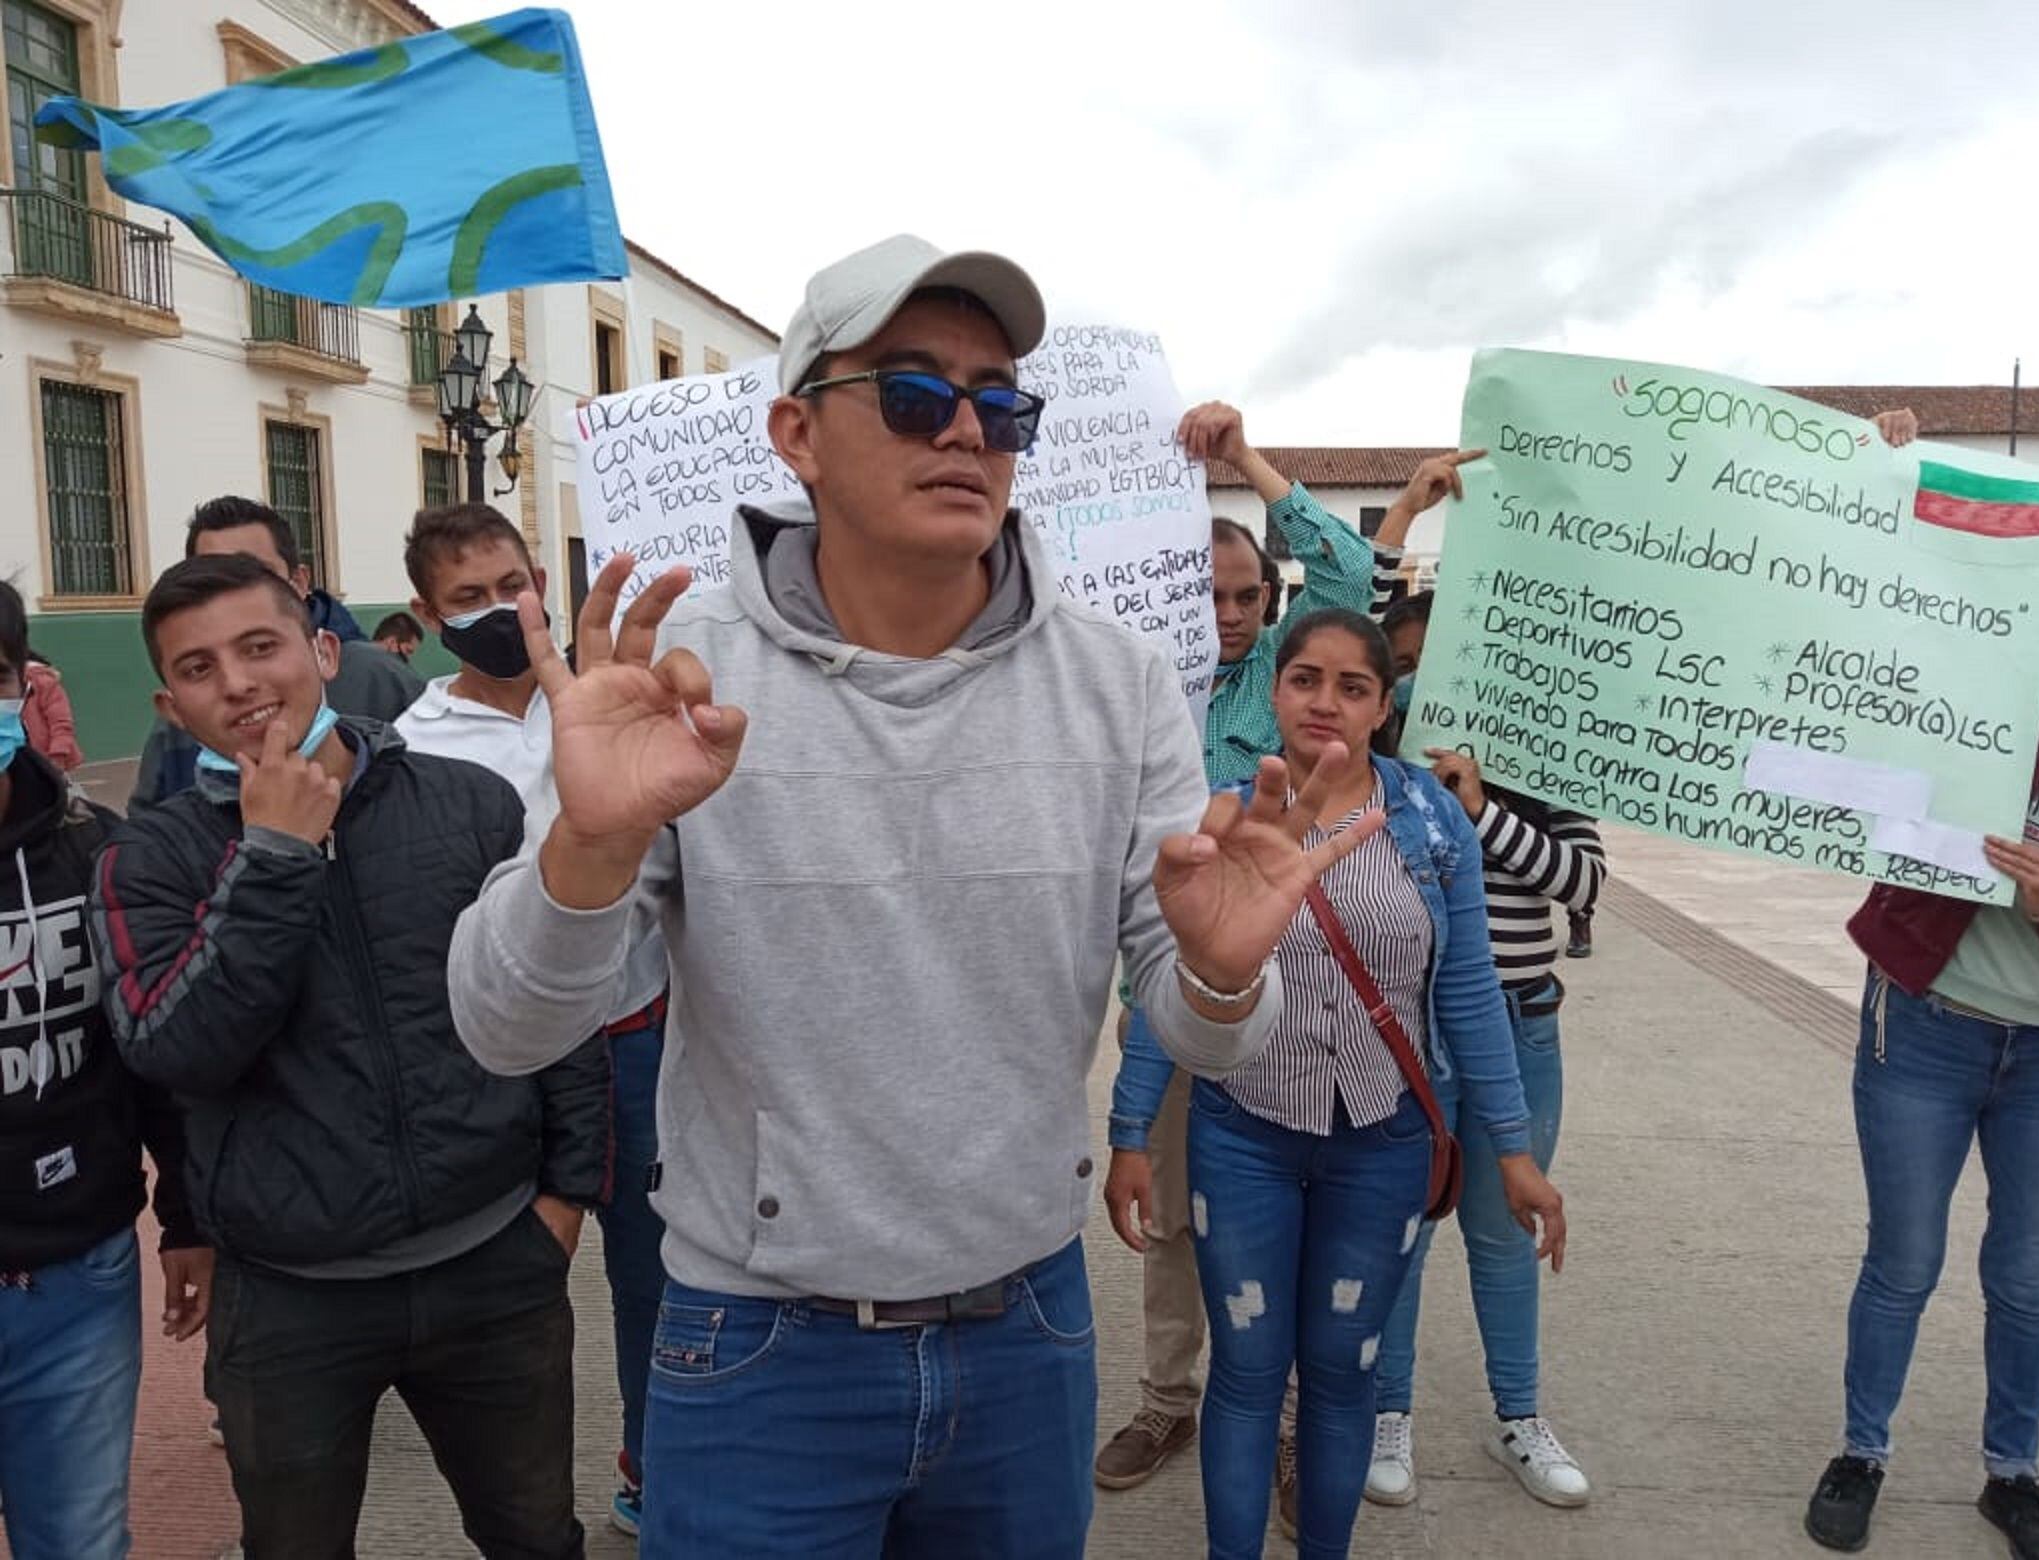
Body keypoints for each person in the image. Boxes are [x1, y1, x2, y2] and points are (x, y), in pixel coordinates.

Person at [443, 232, 1386, 1558]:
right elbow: (503, 1028)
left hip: (1029, 1334)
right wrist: (588, 852)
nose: (965, 430)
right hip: (756, 1343)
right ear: (797, 432)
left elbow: (1202, 1021)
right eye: (910, 393)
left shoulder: (1117, 680)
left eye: (1001, 404)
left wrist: (1223, 975)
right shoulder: (679, 679)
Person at [90, 554, 606, 1560]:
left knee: (536, 1535)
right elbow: (177, 1050)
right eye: (198, 668)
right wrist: (274, 857)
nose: (237, 683)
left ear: (322, 651)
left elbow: (552, 1004)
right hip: (288, 1293)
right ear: (169, 704)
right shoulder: (148, 856)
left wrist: (566, 1196)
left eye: (259, 647)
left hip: (492, 1260)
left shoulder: (465, 804)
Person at [1116, 607, 1564, 1559]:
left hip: (1384, 1142)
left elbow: (1472, 985)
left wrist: (1514, 1150)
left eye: (1352, 686)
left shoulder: (1431, 820)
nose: (1325, 702)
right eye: (1305, 679)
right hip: (1242, 1137)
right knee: (1245, 1369)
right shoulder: (1225, 815)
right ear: (1274, 693)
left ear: (1381, 706)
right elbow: (1176, 975)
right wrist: (1128, 1133)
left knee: (1341, 1369)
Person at [1101, 435, 1480, 1499]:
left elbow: (1353, 587)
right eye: (1206, 594)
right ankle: (1169, 1400)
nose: (1223, 613)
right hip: (1176, 990)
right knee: (1173, 1217)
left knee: (1288, 1252)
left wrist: (1254, 462)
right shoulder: (1144, 682)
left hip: (1318, 1031)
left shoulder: (1284, 677)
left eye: (1242, 594)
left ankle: (1279, 1424)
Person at [394, 501, 669, 1538]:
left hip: (634, 1042)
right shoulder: (413, 744)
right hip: (504, 1066)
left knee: (656, 1275)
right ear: (427, 614)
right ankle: (524, 1516)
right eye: (469, 597)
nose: (501, 609)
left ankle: (650, 1468)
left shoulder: (613, 694)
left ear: (542, 583)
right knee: (512, 1299)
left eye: (513, 584)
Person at [1805, 620, 2039, 1559]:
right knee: (1903, 1262)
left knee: (2027, 1281)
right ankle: (1860, 1454)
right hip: (1928, 1026)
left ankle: (2014, 1476)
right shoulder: (1990, 694)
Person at [0, 579, 210, 1560]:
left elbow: (152, 1055)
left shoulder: (99, 852)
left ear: (23, 684)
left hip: (78, 1278)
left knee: (80, 1543)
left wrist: (185, 1219)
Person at [1365, 736, 1605, 1508]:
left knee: (1508, 1230)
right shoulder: (1391, 771)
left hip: (1523, 1023)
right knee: (1405, 1229)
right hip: (1416, 1026)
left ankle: (1518, 1416)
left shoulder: (1552, 768)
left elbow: (1584, 882)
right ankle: (1386, 1411)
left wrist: (1481, 810)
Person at [128, 497, 423, 811]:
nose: (237, 686)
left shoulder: (380, 677)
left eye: (256, 571)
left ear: (299, 581)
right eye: (213, 572)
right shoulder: (188, 720)